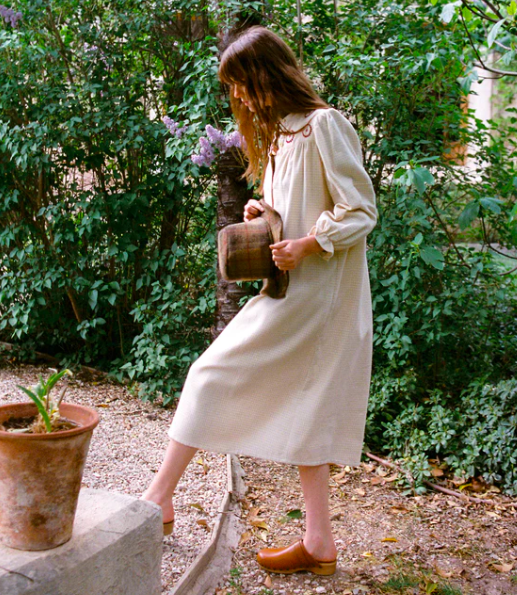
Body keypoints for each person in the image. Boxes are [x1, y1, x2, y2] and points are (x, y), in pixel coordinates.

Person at [142, 25, 378, 576]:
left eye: (241, 84)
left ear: (267, 75)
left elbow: (362, 210)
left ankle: (158, 499)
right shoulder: (280, 136)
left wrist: (310, 243)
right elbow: (290, 209)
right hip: (289, 291)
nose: (239, 97)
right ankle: (319, 543)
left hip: (320, 297)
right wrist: (263, 212)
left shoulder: (324, 125)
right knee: (306, 408)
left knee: (208, 374)